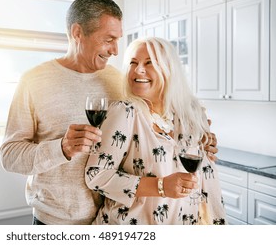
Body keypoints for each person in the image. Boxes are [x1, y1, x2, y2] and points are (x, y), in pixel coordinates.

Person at [0, 0, 219, 225]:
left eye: (117, 40)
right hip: (54, 221)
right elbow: (10, 156)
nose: (115, 50)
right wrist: (61, 148)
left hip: (110, 219)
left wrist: (199, 139)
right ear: (77, 33)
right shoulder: (33, 81)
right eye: (108, 39)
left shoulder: (120, 82)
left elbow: (153, 123)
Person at [85, 37, 226, 225]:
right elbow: (96, 175)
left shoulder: (193, 113)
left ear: (169, 69)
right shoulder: (125, 112)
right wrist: (161, 186)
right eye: (133, 63)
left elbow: (207, 178)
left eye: (149, 63)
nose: (138, 70)